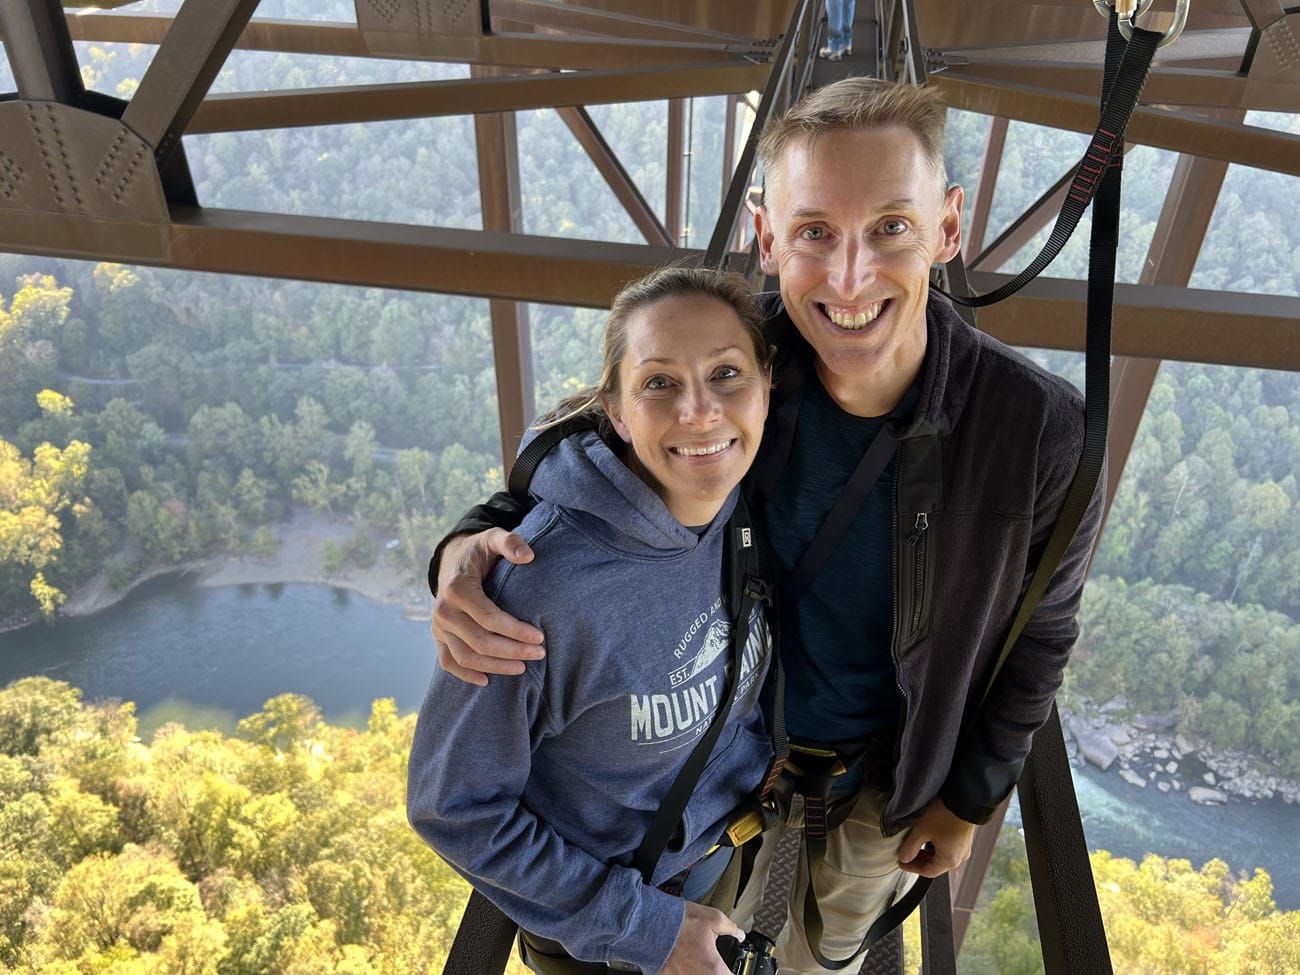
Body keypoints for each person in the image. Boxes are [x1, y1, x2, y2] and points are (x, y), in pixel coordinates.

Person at [428, 78, 1104, 975]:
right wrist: (466, 545)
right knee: (715, 929)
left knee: (835, 943)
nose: (851, 277)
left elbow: (1042, 630)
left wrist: (974, 792)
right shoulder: (736, 369)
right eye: (816, 232)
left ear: (949, 226)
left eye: (891, 228)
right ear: (766, 235)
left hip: (888, 774)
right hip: (723, 768)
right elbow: (587, 447)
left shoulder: (1038, 433)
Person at [407, 266, 778, 975]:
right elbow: (450, 804)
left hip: (720, 855)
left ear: (767, 385)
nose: (700, 411)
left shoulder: (744, 494)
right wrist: (649, 929)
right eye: (659, 382)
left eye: (726, 373)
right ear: (614, 410)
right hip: (607, 923)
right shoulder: (539, 586)